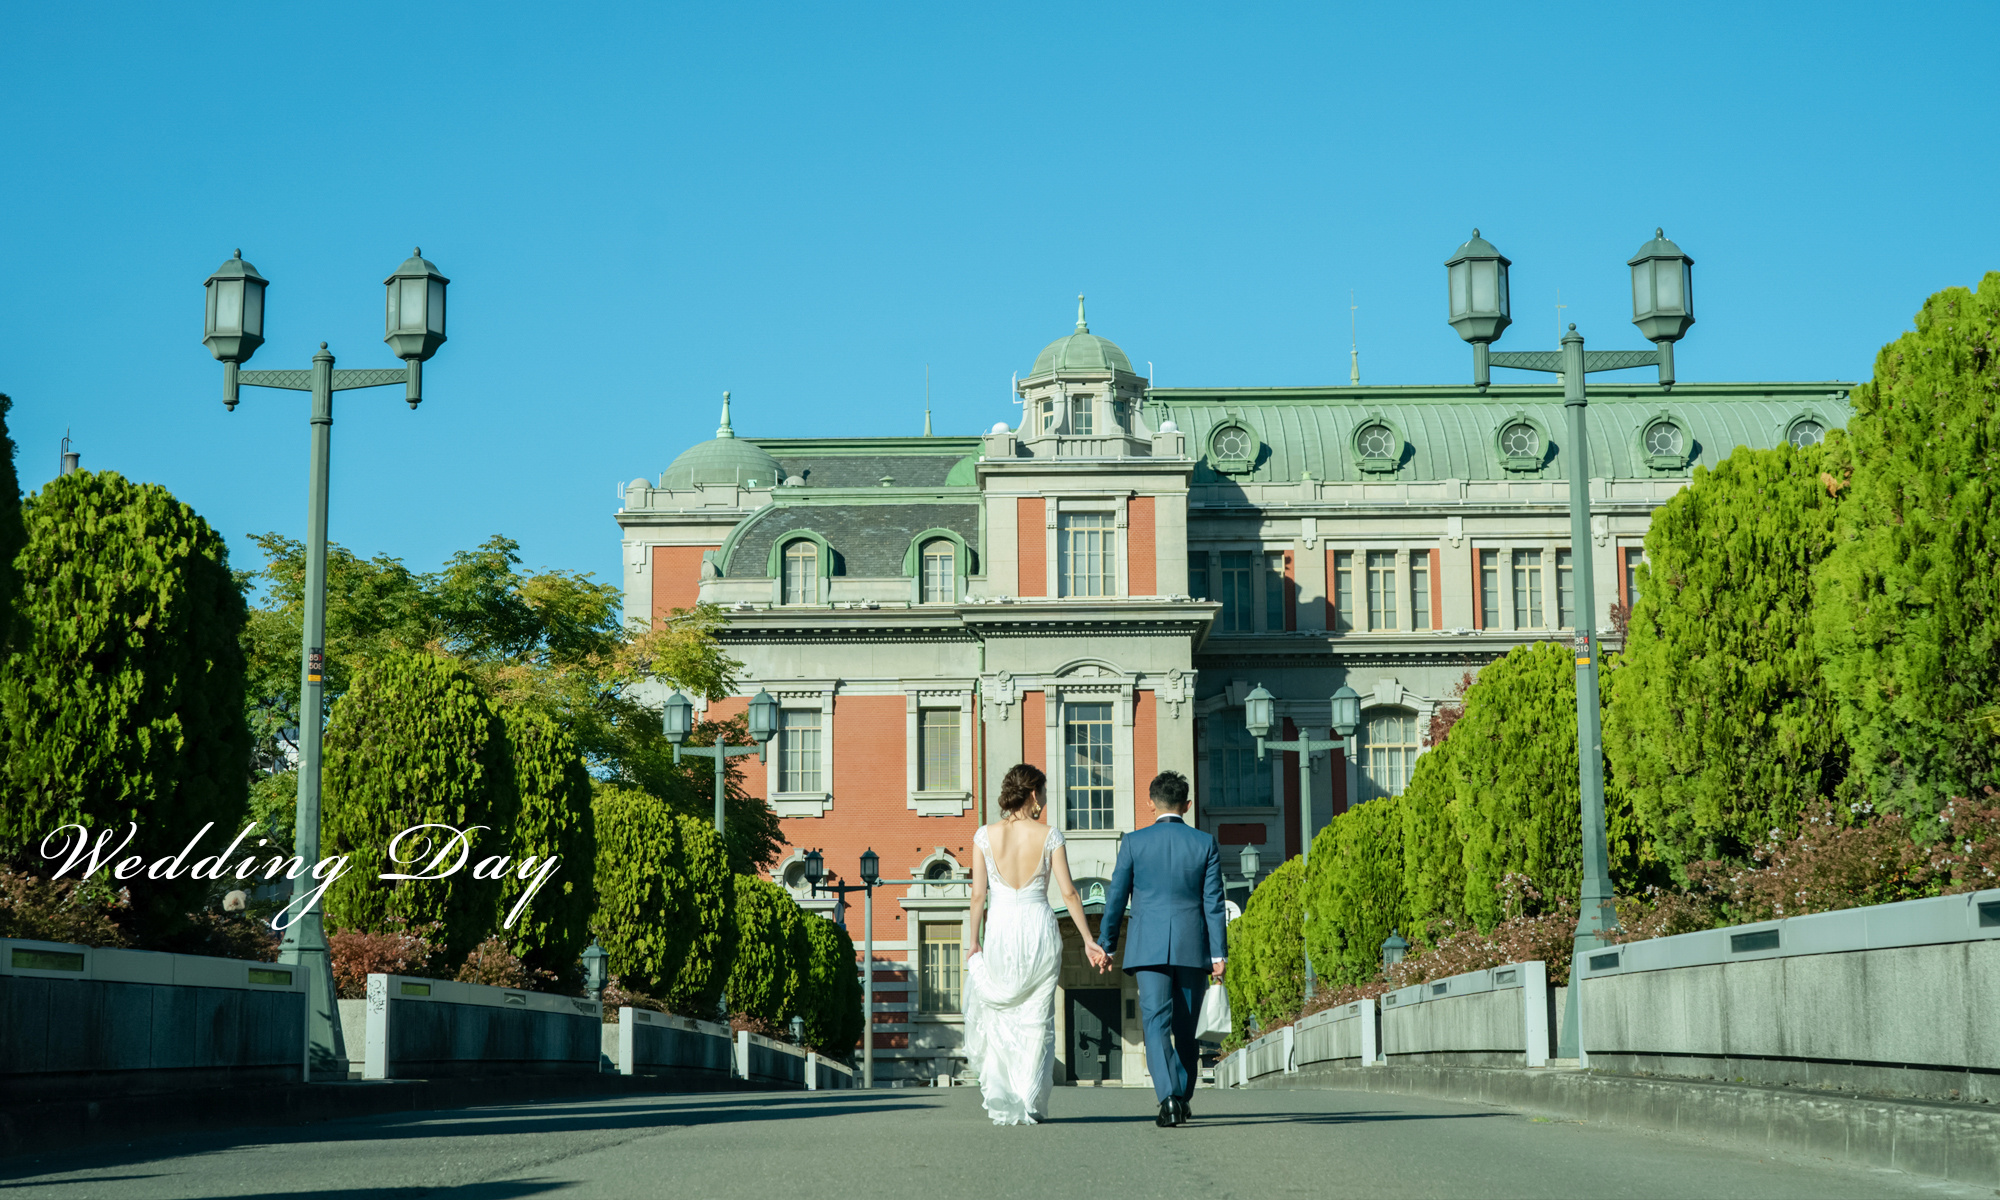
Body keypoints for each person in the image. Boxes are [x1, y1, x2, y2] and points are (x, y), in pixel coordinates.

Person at [962, 763, 1109, 1125]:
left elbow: (978, 895)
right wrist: (1089, 940)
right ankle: (1029, 1100)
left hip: (1000, 930)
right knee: (1036, 1020)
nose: (1045, 800)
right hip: (1038, 928)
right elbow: (1070, 893)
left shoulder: (984, 836)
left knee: (1002, 1016)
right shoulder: (1049, 835)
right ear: (1032, 794)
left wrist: (973, 942)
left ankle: (1004, 1093)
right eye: (1043, 792)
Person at [1094, 770, 1226, 1128]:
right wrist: (1218, 954)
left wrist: (1107, 945)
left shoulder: (1135, 843)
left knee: (1155, 1022)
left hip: (1147, 947)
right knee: (1187, 1027)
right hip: (1192, 946)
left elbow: (1116, 899)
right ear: (1188, 804)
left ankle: (1166, 1097)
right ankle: (1182, 1096)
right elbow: (1213, 902)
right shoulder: (1204, 843)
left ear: (1150, 803)